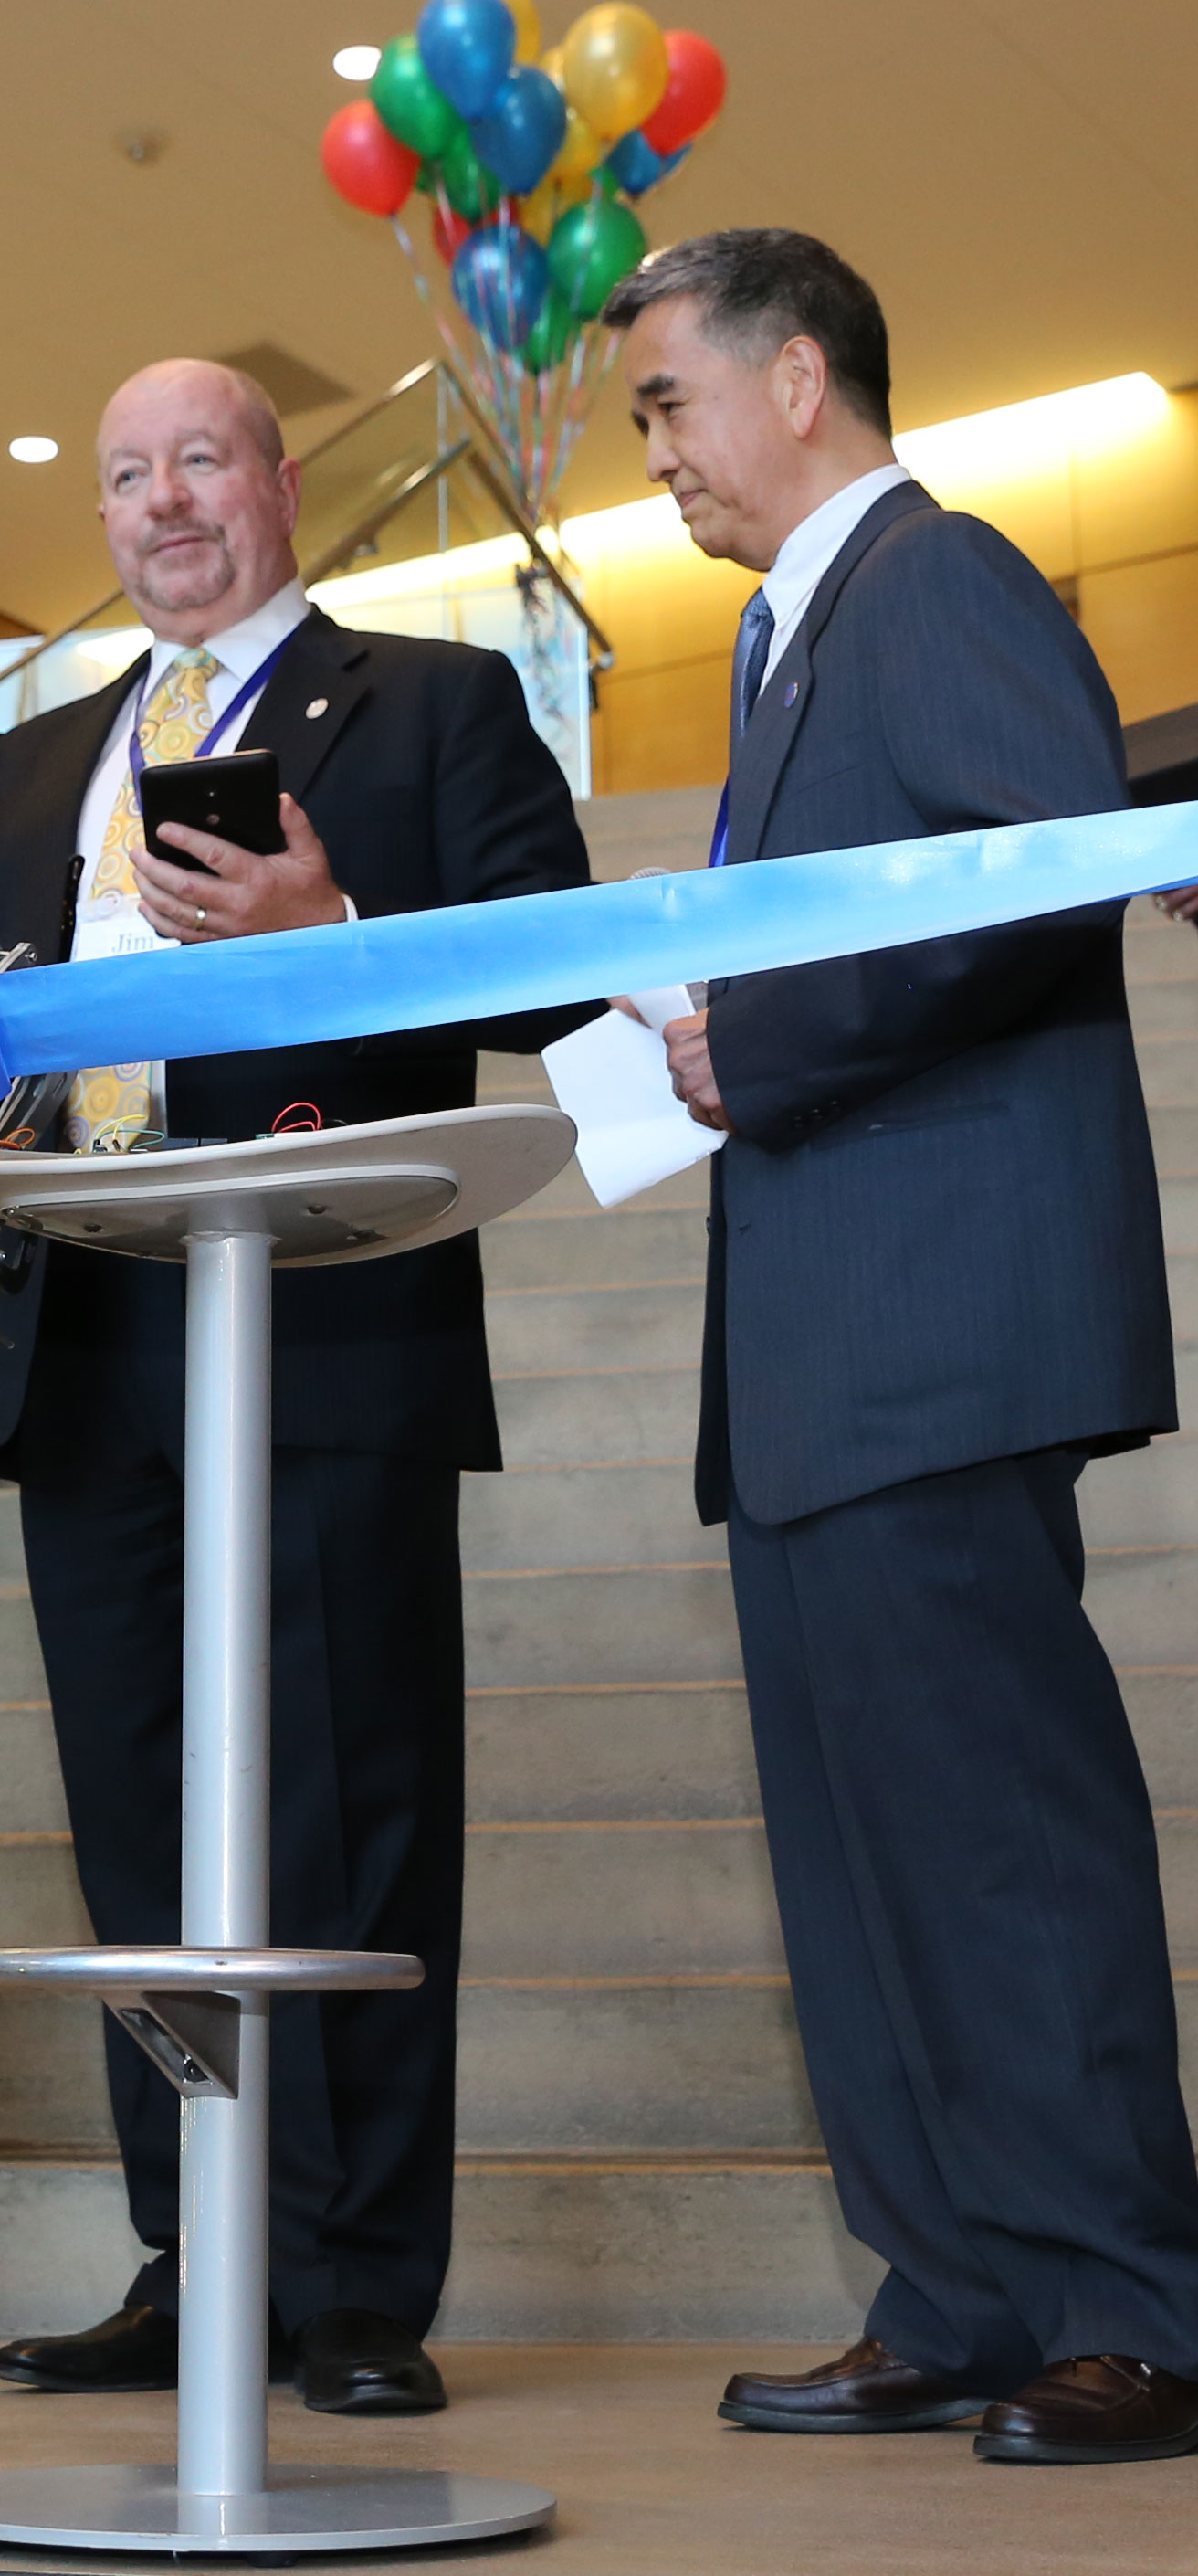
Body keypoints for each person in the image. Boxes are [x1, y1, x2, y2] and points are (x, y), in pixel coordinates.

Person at [0, 359, 592, 2415]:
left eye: (196, 459)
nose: (159, 505)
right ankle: (189, 2252)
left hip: (330, 1327)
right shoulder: (32, 767)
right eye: (121, 476)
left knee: (351, 1807)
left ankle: (362, 2281)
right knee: (138, 1824)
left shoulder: (430, 703)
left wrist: (340, 923)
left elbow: (558, 964)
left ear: (279, 482)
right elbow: (12, 1060)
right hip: (95, 1330)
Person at [608, 228, 1198, 2465]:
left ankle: (1131, 2299)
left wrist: (758, 1037)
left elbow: (1039, 872)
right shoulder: (785, 643)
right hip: (816, 1357)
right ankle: (950, 2284)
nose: (650, 452)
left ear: (794, 380)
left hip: (937, 1326)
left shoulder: (933, 579)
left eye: (666, 402)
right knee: (856, 1861)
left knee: (998, 1839)